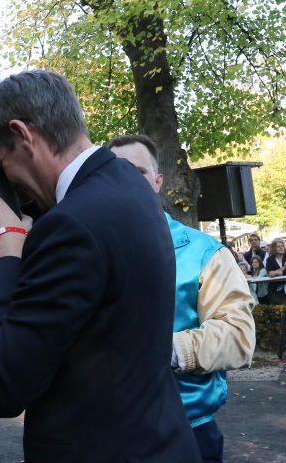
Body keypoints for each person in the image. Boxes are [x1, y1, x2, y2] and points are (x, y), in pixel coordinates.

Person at [0, 70, 200, 462]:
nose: (9, 184)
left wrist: (6, 254)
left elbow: (2, 387)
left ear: (23, 135)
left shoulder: (69, 227)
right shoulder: (127, 183)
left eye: (2, 164)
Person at [108, 134, 255, 462]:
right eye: (116, 172)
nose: (127, 181)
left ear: (158, 182)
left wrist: (164, 349)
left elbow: (238, 337)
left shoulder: (205, 253)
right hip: (106, 435)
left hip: (186, 432)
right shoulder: (89, 247)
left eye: (139, 172)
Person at [264, 238, 286, 304]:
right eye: (278, 246)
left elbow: (275, 273)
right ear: (274, 248)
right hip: (275, 288)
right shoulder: (270, 260)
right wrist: (284, 268)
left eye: (282, 246)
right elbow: (271, 274)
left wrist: (277, 272)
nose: (281, 248)